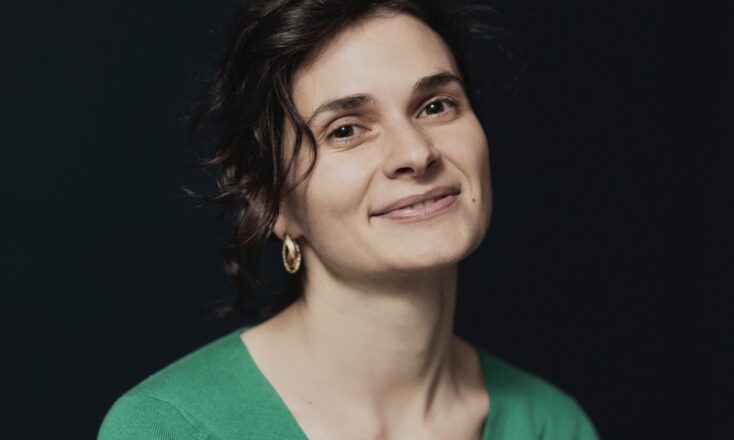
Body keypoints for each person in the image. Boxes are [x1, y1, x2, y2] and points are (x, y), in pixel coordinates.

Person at [98, 0, 599, 438]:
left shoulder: (551, 425)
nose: (416, 153)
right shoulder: (167, 428)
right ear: (272, 203)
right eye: (345, 130)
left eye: (436, 105)